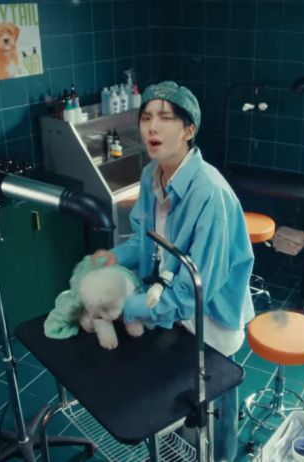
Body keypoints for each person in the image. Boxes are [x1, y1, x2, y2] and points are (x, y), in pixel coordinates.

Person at [88, 81, 255, 461]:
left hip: (211, 319)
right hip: (171, 307)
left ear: (188, 129)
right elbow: (144, 241)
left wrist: (124, 308)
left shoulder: (210, 194)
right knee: (178, 401)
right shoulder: (152, 175)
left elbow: (194, 291)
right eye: (146, 117)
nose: (152, 127)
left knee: (215, 408)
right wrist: (113, 258)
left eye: (165, 118)